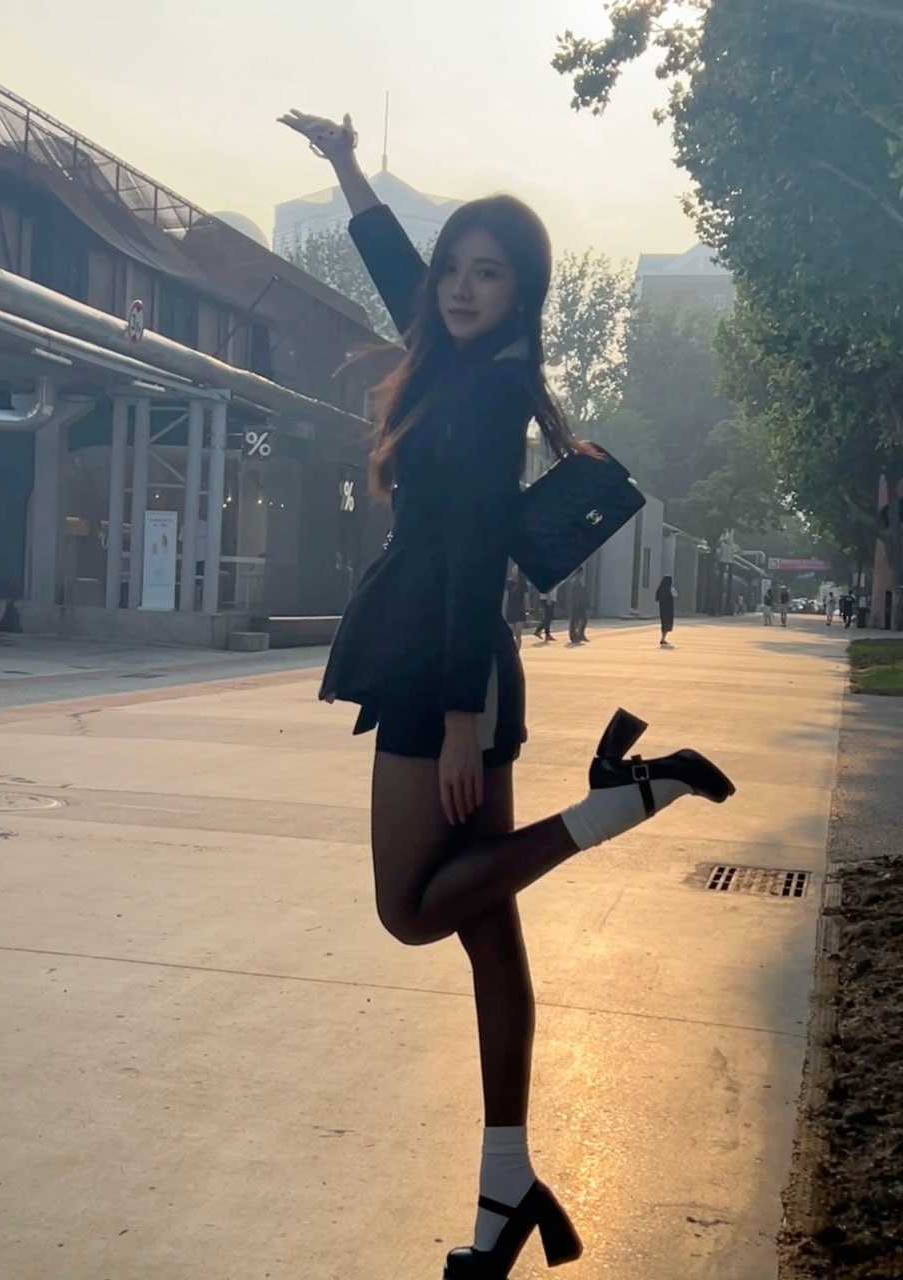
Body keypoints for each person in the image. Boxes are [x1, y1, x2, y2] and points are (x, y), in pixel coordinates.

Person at [279, 106, 735, 1279]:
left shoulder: (483, 394)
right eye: (454, 269)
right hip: (456, 657)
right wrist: (348, 169)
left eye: (489, 273)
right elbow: (403, 277)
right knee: (489, 935)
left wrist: (459, 720)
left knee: (411, 909)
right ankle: (507, 1193)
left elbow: (477, 549)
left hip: (443, 664)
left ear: (521, 293)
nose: (459, 288)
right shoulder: (465, 363)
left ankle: (618, 803)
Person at [504, 563, 528, 650]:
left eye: (516, 569)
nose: (514, 571)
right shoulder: (508, 583)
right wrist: (504, 610)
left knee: (518, 633)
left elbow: (526, 598)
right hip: (510, 610)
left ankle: (517, 651)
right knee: (509, 634)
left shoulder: (523, 584)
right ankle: (511, 651)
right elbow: (506, 597)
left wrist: (527, 610)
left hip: (520, 610)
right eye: (513, 569)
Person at [568, 568, 589, 644]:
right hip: (575, 604)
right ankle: (573, 636)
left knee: (584, 619)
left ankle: (580, 634)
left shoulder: (578, 582)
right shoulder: (574, 582)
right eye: (581, 573)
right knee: (574, 620)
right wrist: (575, 604)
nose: (582, 575)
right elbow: (574, 595)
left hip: (580, 604)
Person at [655, 575, 677, 647]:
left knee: (664, 623)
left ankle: (663, 638)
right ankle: (663, 638)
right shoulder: (670, 588)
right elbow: (675, 594)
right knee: (668, 623)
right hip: (669, 608)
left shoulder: (660, 588)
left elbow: (656, 598)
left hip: (662, 608)